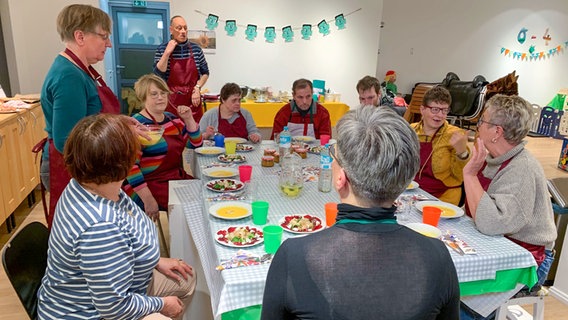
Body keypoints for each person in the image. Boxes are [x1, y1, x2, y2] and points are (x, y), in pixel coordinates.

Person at [261, 106, 460, 319]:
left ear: (340, 179)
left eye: (333, 157)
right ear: (404, 182)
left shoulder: (293, 255)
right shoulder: (438, 255)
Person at [37, 114, 196, 320]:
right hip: (89, 313)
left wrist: (154, 260)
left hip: (119, 290)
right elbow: (114, 307)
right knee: (165, 314)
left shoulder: (91, 182)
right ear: (124, 163)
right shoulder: (100, 227)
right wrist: (162, 304)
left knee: (186, 278)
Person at [460, 94, 557, 320]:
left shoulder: (521, 169)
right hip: (499, 246)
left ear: (497, 132)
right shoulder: (492, 158)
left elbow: (491, 223)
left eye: (483, 120)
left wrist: (470, 174)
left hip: (528, 260)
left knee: (461, 304)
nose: (478, 125)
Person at [40, 4, 122, 228]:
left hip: (84, 165)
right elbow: (68, 140)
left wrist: (123, 124)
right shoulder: (69, 75)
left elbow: (91, 119)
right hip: (72, 168)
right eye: (103, 36)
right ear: (80, 36)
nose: (109, 43)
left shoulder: (81, 70)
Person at [122, 74, 203, 220]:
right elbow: (130, 167)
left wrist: (189, 119)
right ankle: (180, 241)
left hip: (173, 177)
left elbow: (196, 145)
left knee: (204, 196)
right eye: (154, 94)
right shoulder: (137, 126)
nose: (160, 97)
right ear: (143, 97)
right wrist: (148, 199)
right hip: (147, 184)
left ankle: (188, 240)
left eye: (163, 93)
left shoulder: (173, 120)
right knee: (188, 209)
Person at [410, 86, 470, 206]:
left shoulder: (455, 135)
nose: (440, 115)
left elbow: (462, 176)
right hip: (412, 191)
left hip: (444, 197)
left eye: (444, 110)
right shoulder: (410, 130)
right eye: (435, 109)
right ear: (422, 109)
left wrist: (462, 152)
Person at [154, 15, 210, 121]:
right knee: (173, 132)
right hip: (171, 101)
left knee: (194, 133)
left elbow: (205, 73)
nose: (183, 31)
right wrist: (167, 52)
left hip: (193, 100)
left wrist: (197, 88)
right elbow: (158, 75)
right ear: (171, 30)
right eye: (179, 28)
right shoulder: (162, 49)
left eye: (185, 28)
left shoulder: (196, 49)